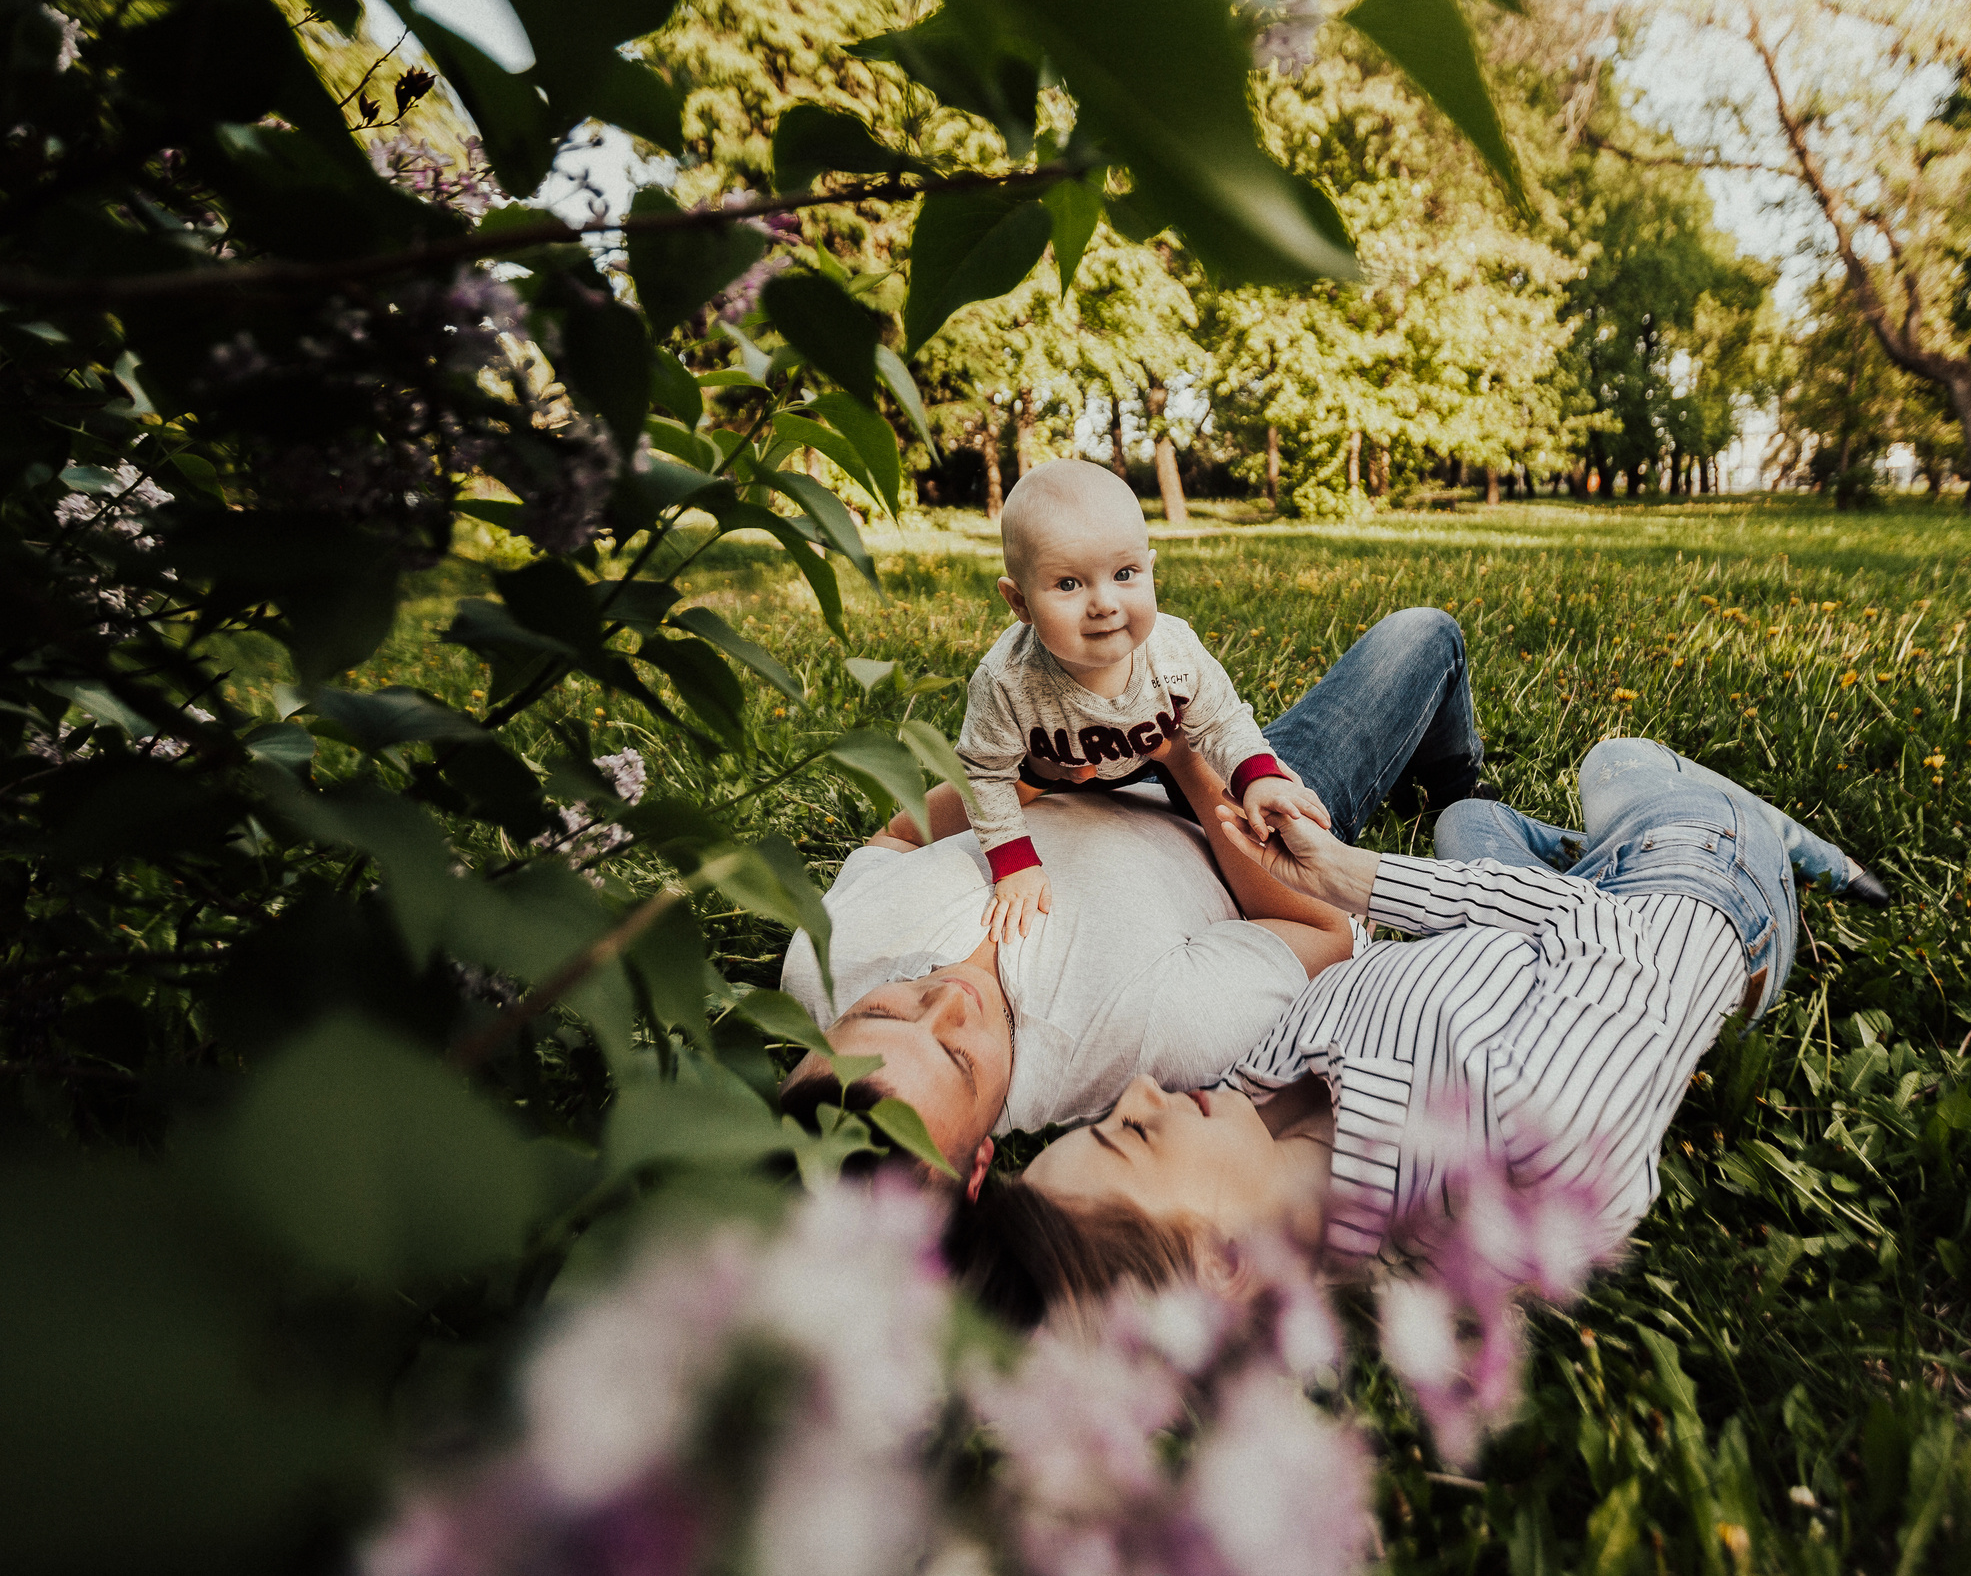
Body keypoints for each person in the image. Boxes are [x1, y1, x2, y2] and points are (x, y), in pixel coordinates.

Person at [944, 738, 1889, 1325]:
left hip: (1520, 923)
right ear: (1223, 1260)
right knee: (1617, 761)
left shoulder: (1255, 1090)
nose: (1143, 1091)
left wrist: (1329, 871)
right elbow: (1625, 935)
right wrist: (1357, 880)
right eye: (1134, 1131)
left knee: (1470, 817)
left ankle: (1586, 833)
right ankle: (1770, 836)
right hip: (1691, 894)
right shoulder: (1530, 1141)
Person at [776, 607, 1490, 1197]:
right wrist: (1180, 755)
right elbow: (1324, 925)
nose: (949, 997)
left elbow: (898, 837)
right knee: (1420, 635)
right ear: (980, 1163)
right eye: (958, 1056)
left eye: (882, 1009)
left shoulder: (818, 963)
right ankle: (1456, 781)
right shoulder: (1143, 1035)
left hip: (1073, 761)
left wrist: (1033, 778)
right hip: (1235, 825)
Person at [919, 460, 1328, 944]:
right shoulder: (1007, 680)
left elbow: (1221, 721)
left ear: (1151, 570)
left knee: (1244, 826)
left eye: (1125, 573)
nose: (1105, 603)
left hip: (1165, 756)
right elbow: (985, 773)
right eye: (1069, 584)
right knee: (938, 815)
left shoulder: (1173, 651)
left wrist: (1257, 775)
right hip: (1058, 771)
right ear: (1020, 603)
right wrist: (1014, 864)